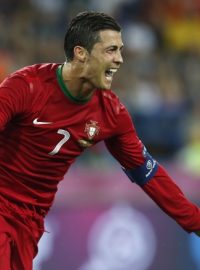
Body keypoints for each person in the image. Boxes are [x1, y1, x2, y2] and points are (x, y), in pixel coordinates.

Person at [0, 11, 199, 270]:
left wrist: (196, 222)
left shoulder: (111, 114)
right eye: (110, 50)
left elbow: (151, 177)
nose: (119, 59)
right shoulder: (26, 86)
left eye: (120, 50)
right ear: (81, 53)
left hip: (30, 224)